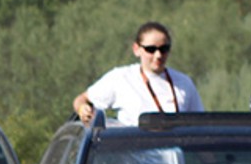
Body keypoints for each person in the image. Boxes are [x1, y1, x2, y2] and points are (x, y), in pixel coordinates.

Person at [73, 21, 204, 126]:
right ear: (136, 49)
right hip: (133, 151)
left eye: (164, 49)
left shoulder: (184, 82)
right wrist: (82, 109)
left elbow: (200, 124)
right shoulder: (121, 78)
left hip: (176, 152)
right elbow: (81, 99)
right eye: (151, 49)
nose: (158, 55)